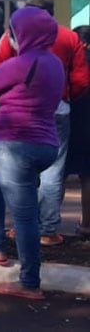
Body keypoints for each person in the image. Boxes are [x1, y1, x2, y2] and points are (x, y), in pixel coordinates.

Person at [0, 5, 64, 300]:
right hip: (45, 145)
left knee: (24, 218)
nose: (9, 35)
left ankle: (29, 283)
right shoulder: (54, 63)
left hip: (15, 147)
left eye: (11, 31)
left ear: (21, 34)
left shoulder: (20, 63)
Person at [0, 0, 90, 246]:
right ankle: (47, 230)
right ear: (52, 11)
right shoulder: (70, 37)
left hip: (19, 110)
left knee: (19, 170)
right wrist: (66, 97)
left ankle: (23, 226)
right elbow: (80, 80)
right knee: (53, 170)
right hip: (57, 109)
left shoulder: (11, 35)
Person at [68, 25, 90, 239]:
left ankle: (48, 226)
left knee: (55, 175)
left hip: (71, 124)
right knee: (88, 177)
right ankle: (87, 225)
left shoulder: (70, 63)